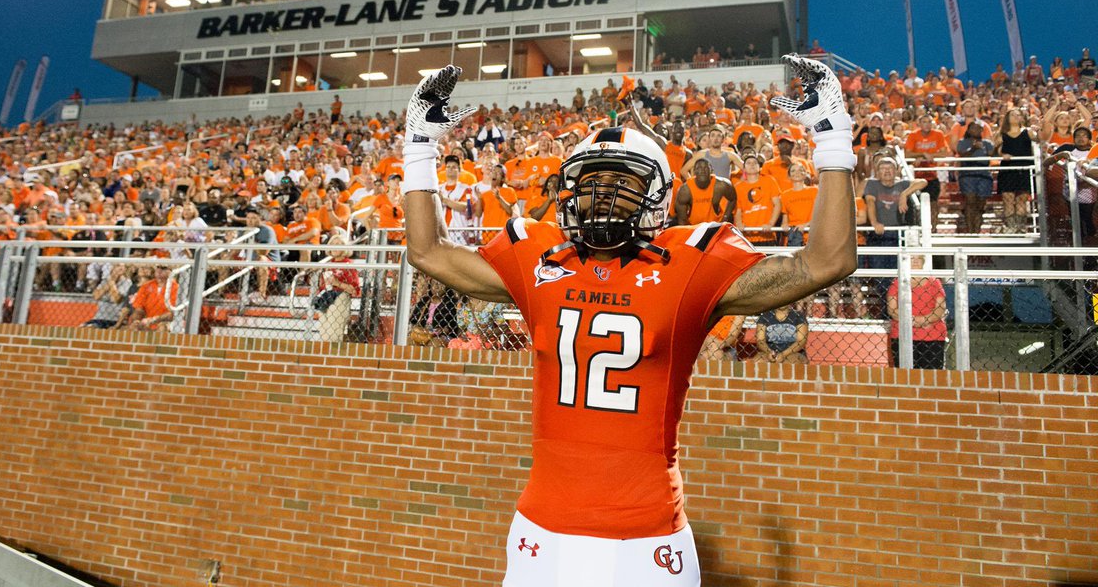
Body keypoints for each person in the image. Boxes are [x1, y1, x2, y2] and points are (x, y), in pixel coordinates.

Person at [401, 58, 857, 586]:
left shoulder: (689, 263)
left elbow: (826, 261)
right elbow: (428, 250)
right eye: (592, 184)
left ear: (659, 196)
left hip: (645, 540)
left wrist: (832, 142)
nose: (603, 198)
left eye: (622, 184)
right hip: (542, 530)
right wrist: (419, 148)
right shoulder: (541, 257)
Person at [886, 255, 947, 369]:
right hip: (903, 334)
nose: (914, 261)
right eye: (911, 258)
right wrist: (912, 320)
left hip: (932, 335)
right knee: (905, 376)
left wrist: (924, 320)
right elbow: (892, 309)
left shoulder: (935, 283)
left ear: (923, 261)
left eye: (918, 258)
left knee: (932, 377)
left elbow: (940, 308)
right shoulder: (897, 283)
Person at [993, 108, 1035, 232]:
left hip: (1024, 167)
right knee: (1008, 197)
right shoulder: (1001, 134)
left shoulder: (1029, 132)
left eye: (1018, 115)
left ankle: (1020, 227)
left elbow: (1039, 142)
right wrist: (1002, 154)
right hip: (1008, 168)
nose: (1016, 117)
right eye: (1013, 115)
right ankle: (1011, 227)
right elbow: (996, 151)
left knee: (1022, 198)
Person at [956, 123, 995, 234]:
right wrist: (973, 149)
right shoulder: (962, 142)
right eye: (973, 128)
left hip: (984, 174)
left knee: (981, 204)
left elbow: (993, 154)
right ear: (968, 130)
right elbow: (962, 154)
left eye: (978, 128)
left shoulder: (987, 143)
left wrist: (997, 143)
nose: (976, 130)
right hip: (968, 174)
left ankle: (977, 231)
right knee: (970, 201)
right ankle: (970, 231)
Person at [127, 264, 179, 331]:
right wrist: (137, 320)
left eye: (163, 268)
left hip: (167, 322)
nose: (159, 270)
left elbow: (173, 314)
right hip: (147, 321)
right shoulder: (146, 286)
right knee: (134, 326)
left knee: (162, 327)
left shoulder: (176, 288)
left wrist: (153, 320)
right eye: (158, 267)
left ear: (172, 271)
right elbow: (139, 308)